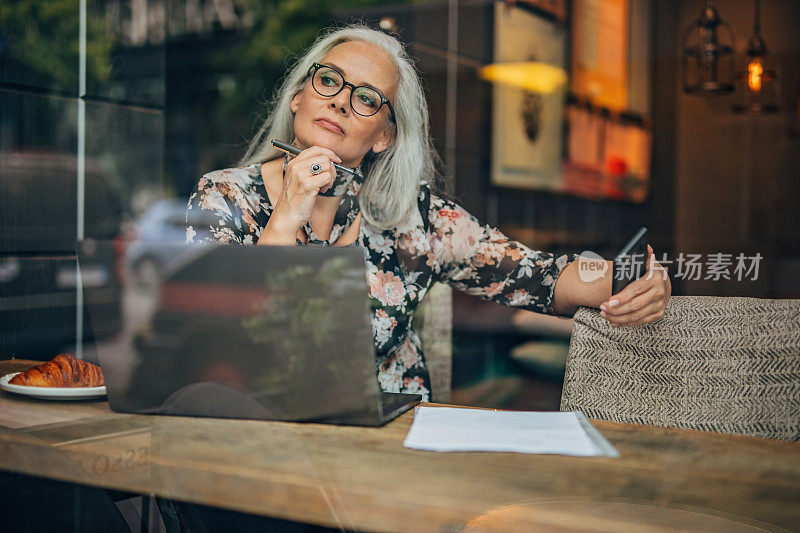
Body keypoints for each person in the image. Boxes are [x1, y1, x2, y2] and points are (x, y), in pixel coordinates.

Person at [186, 25, 671, 402]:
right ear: (299, 97)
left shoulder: (412, 217)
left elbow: (545, 277)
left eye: (368, 98)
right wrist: (289, 212)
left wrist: (636, 277)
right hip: (264, 446)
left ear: (384, 136)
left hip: (388, 447)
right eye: (329, 80)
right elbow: (223, 346)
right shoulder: (224, 198)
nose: (340, 100)